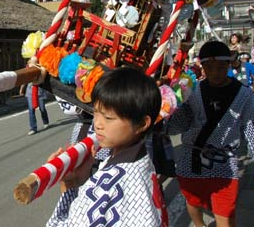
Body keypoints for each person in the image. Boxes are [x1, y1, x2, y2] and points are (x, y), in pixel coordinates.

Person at [46, 67, 168, 227]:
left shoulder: (111, 181)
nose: (97, 124)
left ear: (141, 124)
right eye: (95, 112)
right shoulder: (141, 161)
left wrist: (68, 184)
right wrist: (77, 181)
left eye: (109, 117)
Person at [168, 41, 254, 227]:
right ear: (202, 67)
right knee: (193, 201)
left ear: (229, 65)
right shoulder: (192, 90)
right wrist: (172, 104)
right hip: (192, 158)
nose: (215, 72)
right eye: (210, 67)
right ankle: (200, 225)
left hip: (225, 161)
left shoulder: (244, 94)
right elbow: (177, 126)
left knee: (225, 213)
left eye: (221, 67)